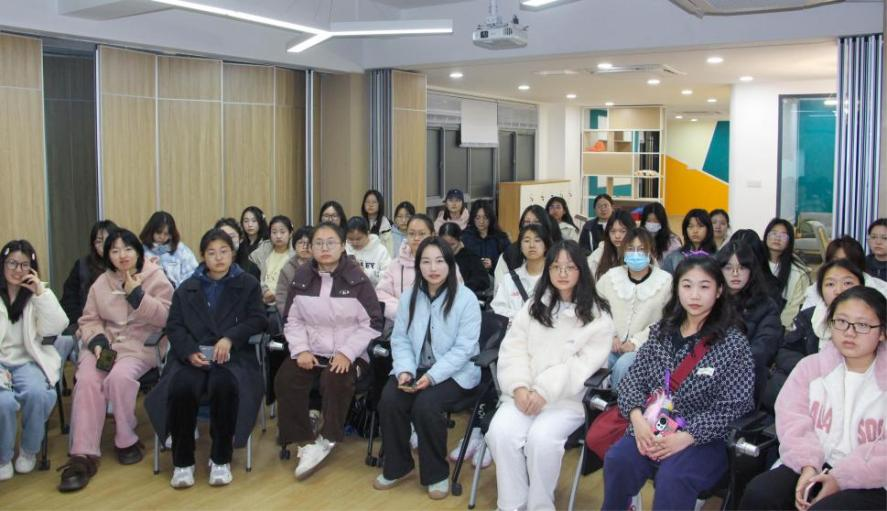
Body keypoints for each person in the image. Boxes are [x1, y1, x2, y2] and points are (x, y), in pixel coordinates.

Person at [602, 256, 755, 511]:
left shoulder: (733, 343)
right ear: (677, 289)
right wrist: (638, 421)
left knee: (673, 479)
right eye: (687, 285)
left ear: (719, 291)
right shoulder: (662, 331)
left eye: (704, 286)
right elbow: (633, 379)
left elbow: (734, 406)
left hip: (703, 438)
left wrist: (688, 436)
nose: (694, 295)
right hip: (653, 426)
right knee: (618, 460)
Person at [486, 240, 615, 511]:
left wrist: (544, 391)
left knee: (541, 440)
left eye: (570, 267)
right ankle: (512, 504)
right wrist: (519, 387)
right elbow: (514, 348)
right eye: (556, 267)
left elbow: (582, 366)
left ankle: (540, 505)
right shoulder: (534, 305)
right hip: (523, 393)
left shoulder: (598, 316)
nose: (562, 273)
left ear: (581, 271)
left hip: (566, 399)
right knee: (500, 433)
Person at [739, 286, 887, 511]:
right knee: (760, 494)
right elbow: (793, 420)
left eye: (863, 325)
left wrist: (840, 478)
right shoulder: (811, 368)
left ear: (882, 332)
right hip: (814, 461)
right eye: (841, 321)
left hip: (873, 477)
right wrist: (808, 465)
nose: (850, 332)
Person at [145, 229, 267, 488]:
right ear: (202, 256)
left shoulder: (247, 284)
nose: (219, 258)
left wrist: (230, 338)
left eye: (224, 251)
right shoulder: (187, 288)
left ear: (232, 253)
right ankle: (182, 462)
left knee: (224, 386)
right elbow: (175, 325)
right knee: (181, 386)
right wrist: (189, 351)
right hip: (193, 357)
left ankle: (221, 459)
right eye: (212, 253)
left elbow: (258, 319)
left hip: (232, 357)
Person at [58, 229, 173, 492]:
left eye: (128, 249)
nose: (122, 255)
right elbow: (89, 319)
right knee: (87, 380)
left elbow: (167, 317)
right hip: (106, 345)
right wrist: (97, 341)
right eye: (115, 250)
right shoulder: (102, 282)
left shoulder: (156, 277)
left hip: (139, 345)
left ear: (138, 251)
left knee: (120, 378)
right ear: (107, 255)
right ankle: (82, 454)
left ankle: (126, 438)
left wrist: (137, 295)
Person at [373, 238, 481, 500]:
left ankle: (436, 474)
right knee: (390, 400)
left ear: (450, 264)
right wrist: (405, 371)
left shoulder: (466, 298)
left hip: (455, 372)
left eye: (440, 261)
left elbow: (464, 349)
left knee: (426, 404)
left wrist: (432, 377)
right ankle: (398, 466)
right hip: (416, 367)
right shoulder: (409, 297)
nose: (433, 268)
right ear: (418, 265)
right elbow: (400, 339)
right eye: (426, 261)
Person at [275, 222, 383, 480]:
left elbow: (373, 323)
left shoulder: (357, 279)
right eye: (318, 243)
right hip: (311, 350)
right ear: (310, 247)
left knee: (336, 378)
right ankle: (304, 441)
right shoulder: (302, 276)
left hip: (349, 353)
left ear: (343, 246)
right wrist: (301, 349)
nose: (324, 248)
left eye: (331, 242)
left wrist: (347, 353)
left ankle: (327, 437)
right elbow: (292, 320)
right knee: (286, 378)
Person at [0, 240, 68, 481]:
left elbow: (58, 327)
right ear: (3, 263)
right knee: (4, 403)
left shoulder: (38, 293)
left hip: (28, 361)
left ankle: (29, 450)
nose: (17, 270)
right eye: (12, 263)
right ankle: (3, 457)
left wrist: (40, 293)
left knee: (37, 394)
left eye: (24, 265)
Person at [762, 259, 865, 411]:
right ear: (820, 290)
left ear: (862, 286)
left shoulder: (873, 321)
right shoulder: (809, 317)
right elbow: (786, 350)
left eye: (847, 283)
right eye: (830, 284)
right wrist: (812, 370)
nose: (838, 290)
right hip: (810, 383)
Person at [596, 228, 672, 389]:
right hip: (610, 343)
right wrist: (611, 336)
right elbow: (596, 309)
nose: (636, 254)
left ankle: (618, 401)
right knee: (597, 359)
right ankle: (595, 399)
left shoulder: (665, 281)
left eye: (641, 249)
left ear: (650, 251)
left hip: (647, 347)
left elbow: (666, 320)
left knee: (624, 365)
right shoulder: (610, 277)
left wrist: (636, 342)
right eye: (630, 249)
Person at [716, 240, 783, 400]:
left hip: (745, 382)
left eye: (742, 267)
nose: (735, 273)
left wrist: (728, 366)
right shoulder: (710, 300)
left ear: (752, 270)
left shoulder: (766, 305)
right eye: (728, 268)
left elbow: (764, 347)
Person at [58, 220, 118, 364]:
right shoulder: (82, 266)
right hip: (89, 327)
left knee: (116, 362)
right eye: (98, 241)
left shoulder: (125, 266)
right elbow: (69, 301)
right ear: (93, 244)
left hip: (119, 330)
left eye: (108, 240)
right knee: (96, 361)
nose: (103, 245)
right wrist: (81, 323)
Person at [800, 235, 887, 310]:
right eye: (836, 261)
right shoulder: (816, 289)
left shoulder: (881, 289)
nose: (842, 266)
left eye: (847, 262)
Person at [377, 214, 435, 321]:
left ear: (432, 235)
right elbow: (381, 294)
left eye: (422, 234)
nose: (416, 238)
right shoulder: (396, 265)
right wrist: (403, 311)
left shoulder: (444, 263)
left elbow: (456, 296)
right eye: (411, 234)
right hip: (402, 324)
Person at [491, 224, 551, 322]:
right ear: (520, 247)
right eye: (526, 241)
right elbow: (498, 309)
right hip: (515, 330)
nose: (532, 245)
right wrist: (525, 316)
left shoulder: (554, 278)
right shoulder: (509, 279)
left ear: (546, 246)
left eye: (537, 240)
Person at [494, 205, 562, 291]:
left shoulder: (557, 252)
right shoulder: (509, 254)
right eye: (527, 222)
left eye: (536, 222)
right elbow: (499, 288)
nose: (531, 226)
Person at [764, 218, 812, 327]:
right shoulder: (754, 264)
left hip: (781, 327)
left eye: (783, 235)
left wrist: (776, 328)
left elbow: (793, 309)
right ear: (766, 236)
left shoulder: (799, 273)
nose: (777, 238)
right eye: (774, 233)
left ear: (789, 241)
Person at [140, 211, 199, 288]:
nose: (162, 237)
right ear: (151, 230)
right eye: (159, 232)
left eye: (166, 234)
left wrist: (180, 290)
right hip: (151, 292)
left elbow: (192, 273)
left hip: (178, 292)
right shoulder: (142, 251)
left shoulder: (180, 249)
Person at [249, 215, 295, 305]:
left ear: (290, 233)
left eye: (282, 232)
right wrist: (264, 291)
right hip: (261, 299)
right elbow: (252, 273)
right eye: (274, 232)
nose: (278, 236)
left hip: (285, 302)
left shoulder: (294, 256)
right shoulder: (263, 251)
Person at [438, 223, 489, 297]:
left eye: (452, 244)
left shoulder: (471, 257)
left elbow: (483, 280)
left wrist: (461, 287)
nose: (448, 248)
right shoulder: (435, 257)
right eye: (444, 244)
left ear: (459, 239)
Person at [660, 209, 717, 274]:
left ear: (708, 229)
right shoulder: (674, 257)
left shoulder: (717, 256)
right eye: (690, 226)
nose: (695, 231)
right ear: (685, 230)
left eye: (700, 226)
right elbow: (664, 278)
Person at [461, 200, 510, 275]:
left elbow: (509, 258)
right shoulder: (465, 237)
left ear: (490, 218)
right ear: (473, 218)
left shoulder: (500, 237)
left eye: (485, 218)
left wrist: (493, 263)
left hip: (496, 277)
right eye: (477, 218)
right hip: (472, 278)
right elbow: (461, 261)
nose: (481, 221)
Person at [274, 225, 315, 315]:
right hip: (293, 314)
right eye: (300, 242)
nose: (305, 247)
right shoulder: (287, 269)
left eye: (309, 243)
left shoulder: (322, 266)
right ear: (294, 246)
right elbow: (281, 296)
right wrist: (289, 316)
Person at [345, 216, 392, 287]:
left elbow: (389, 276)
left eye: (358, 239)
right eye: (350, 239)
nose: (354, 243)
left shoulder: (380, 250)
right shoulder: (344, 249)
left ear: (368, 234)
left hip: (375, 292)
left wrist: (365, 272)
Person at [589, 209, 635, 279]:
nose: (617, 236)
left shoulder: (639, 253)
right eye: (613, 231)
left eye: (623, 231)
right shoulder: (599, 253)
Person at [361, 190, 394, 256]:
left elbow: (390, 250)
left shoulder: (386, 225)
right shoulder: (360, 223)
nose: (370, 205)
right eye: (367, 202)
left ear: (380, 204)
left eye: (374, 202)